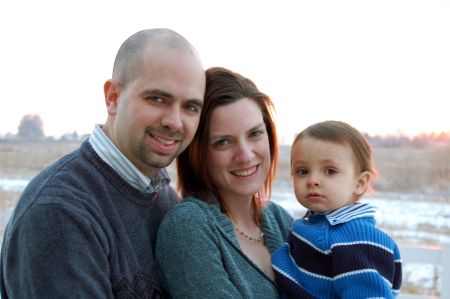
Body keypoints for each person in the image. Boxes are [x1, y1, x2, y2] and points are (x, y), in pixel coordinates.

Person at [0, 28, 206, 298]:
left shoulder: (167, 201)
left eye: (190, 107)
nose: (174, 121)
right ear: (113, 98)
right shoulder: (59, 212)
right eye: (157, 99)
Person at [155, 66, 293, 298]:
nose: (246, 155)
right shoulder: (187, 227)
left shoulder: (280, 220)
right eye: (223, 142)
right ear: (198, 153)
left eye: (255, 134)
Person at [272, 120, 402, 298]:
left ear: (360, 183)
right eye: (303, 171)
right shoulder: (314, 224)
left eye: (330, 171)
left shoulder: (354, 238)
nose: (313, 180)